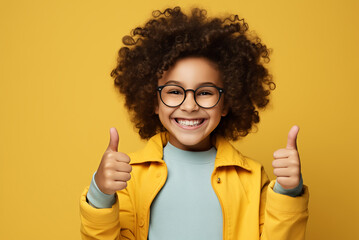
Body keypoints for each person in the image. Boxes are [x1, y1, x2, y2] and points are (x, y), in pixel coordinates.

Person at [79, 6, 309, 240]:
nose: (189, 106)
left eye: (205, 92)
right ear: (154, 101)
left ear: (227, 102)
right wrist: (100, 194)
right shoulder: (129, 176)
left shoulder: (251, 177)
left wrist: (288, 193)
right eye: (174, 91)